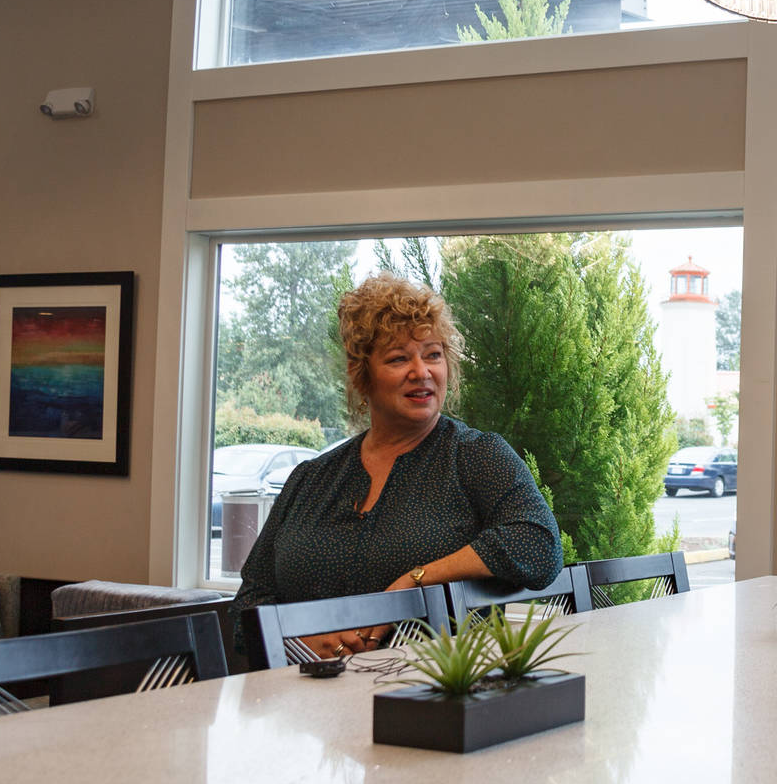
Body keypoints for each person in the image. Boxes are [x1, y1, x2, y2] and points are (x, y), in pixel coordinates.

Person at [228, 272, 563, 660]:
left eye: (433, 354)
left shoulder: (475, 456)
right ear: (362, 375)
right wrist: (298, 643)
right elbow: (247, 606)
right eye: (399, 358)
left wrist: (416, 580)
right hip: (311, 704)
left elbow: (539, 544)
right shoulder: (310, 478)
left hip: (435, 699)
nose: (421, 372)